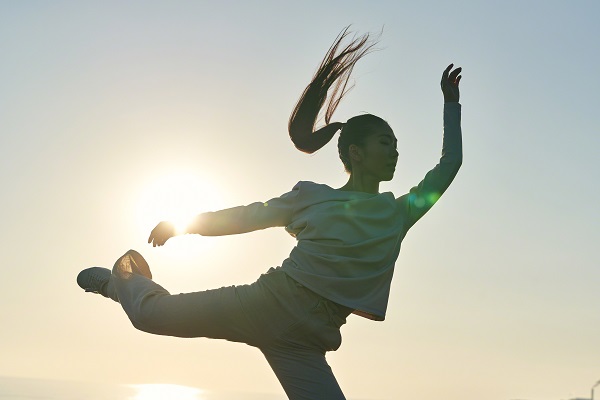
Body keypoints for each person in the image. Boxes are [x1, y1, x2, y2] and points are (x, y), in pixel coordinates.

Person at [77, 27, 462, 400]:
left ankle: (120, 287)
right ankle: (118, 282)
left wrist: (450, 105)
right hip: (263, 305)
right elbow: (248, 216)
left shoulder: (399, 213)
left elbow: (449, 165)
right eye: (385, 142)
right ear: (356, 152)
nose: (395, 151)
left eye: (397, 145)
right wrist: (184, 225)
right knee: (149, 317)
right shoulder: (313, 198)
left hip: (306, 344)